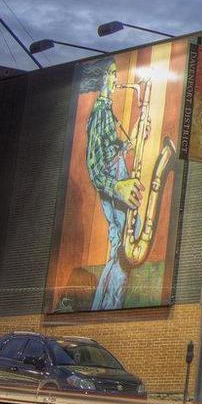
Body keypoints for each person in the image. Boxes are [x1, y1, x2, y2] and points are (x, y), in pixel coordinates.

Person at [84, 60, 142, 310]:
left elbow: (111, 150)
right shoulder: (100, 113)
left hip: (118, 181)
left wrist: (135, 135)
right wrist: (116, 186)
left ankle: (105, 307)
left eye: (115, 72)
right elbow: (94, 164)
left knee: (122, 247)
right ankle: (106, 308)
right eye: (111, 73)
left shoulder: (107, 111)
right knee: (122, 249)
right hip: (114, 186)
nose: (116, 78)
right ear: (101, 79)